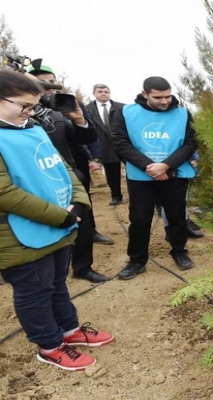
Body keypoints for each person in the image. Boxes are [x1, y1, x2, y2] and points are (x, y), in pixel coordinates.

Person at [0, 69, 114, 371]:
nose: (30, 112)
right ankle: (50, 345)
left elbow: (62, 167)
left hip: (57, 226)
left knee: (56, 283)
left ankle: (69, 330)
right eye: (23, 106)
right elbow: (5, 192)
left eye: (34, 106)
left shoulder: (31, 128)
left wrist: (78, 202)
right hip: (19, 235)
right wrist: (59, 216)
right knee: (34, 291)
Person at [27, 62, 113, 283]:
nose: (47, 91)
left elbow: (85, 138)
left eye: (50, 85)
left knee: (81, 222)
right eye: (40, 86)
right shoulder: (15, 115)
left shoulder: (63, 110)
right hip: (31, 180)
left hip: (69, 174)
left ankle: (83, 267)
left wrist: (80, 121)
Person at [112, 76, 197, 279]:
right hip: (141, 175)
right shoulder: (125, 113)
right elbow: (120, 142)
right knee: (140, 218)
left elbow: (190, 143)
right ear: (145, 94)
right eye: (158, 97)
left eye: (168, 96)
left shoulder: (183, 114)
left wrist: (166, 166)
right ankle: (137, 260)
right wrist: (149, 167)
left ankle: (179, 251)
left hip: (174, 173)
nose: (165, 101)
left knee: (176, 215)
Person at [85, 84, 126, 206]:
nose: (103, 93)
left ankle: (138, 194)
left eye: (106, 91)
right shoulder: (87, 110)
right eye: (100, 91)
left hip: (124, 144)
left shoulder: (122, 107)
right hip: (104, 146)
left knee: (134, 169)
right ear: (94, 93)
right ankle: (116, 196)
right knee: (112, 173)